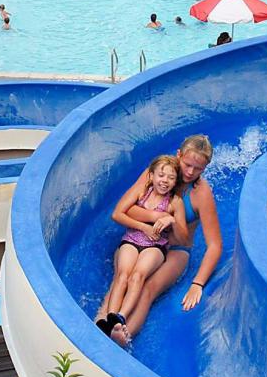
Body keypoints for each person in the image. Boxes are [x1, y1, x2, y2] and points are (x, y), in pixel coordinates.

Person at [95, 136, 222, 345]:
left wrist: (197, 283)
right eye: (187, 165)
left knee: (147, 287)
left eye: (198, 169)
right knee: (122, 278)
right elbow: (126, 209)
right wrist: (155, 217)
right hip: (142, 237)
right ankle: (99, 326)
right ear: (178, 155)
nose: (190, 172)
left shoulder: (201, 194)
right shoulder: (159, 172)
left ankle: (122, 335)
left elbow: (215, 245)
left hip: (176, 249)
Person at [97, 154, 185, 345]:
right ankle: (110, 319)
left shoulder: (174, 202)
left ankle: (121, 316)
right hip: (131, 239)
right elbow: (117, 215)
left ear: (175, 181)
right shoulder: (142, 193)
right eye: (161, 176)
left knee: (137, 276)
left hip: (155, 246)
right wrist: (145, 226)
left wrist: (171, 220)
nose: (165, 181)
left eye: (171, 178)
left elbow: (180, 235)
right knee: (123, 275)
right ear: (151, 176)